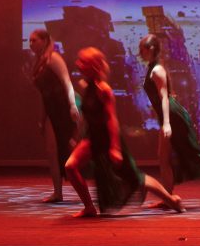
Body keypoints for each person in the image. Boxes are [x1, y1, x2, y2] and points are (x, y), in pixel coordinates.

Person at [64, 47, 184, 217]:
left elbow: (111, 119)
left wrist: (115, 148)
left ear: (94, 65)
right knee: (70, 166)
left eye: (83, 61)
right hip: (92, 138)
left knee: (136, 178)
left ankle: (171, 200)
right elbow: (87, 116)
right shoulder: (86, 86)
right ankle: (89, 207)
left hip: (107, 139)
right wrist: (77, 137)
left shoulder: (103, 90)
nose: (78, 64)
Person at [140, 35, 200, 200]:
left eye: (142, 49)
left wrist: (167, 123)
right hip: (167, 115)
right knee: (163, 158)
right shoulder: (152, 68)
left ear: (151, 49)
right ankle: (168, 197)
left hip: (172, 116)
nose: (140, 53)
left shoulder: (157, 70)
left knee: (192, 152)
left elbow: (164, 97)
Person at [27, 29, 81, 203]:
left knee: (71, 148)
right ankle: (58, 192)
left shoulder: (54, 58)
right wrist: (42, 117)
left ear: (44, 41)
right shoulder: (39, 62)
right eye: (29, 41)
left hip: (63, 107)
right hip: (52, 109)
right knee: (51, 151)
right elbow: (44, 94)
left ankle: (93, 184)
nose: (31, 44)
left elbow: (67, 82)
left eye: (34, 40)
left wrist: (72, 105)